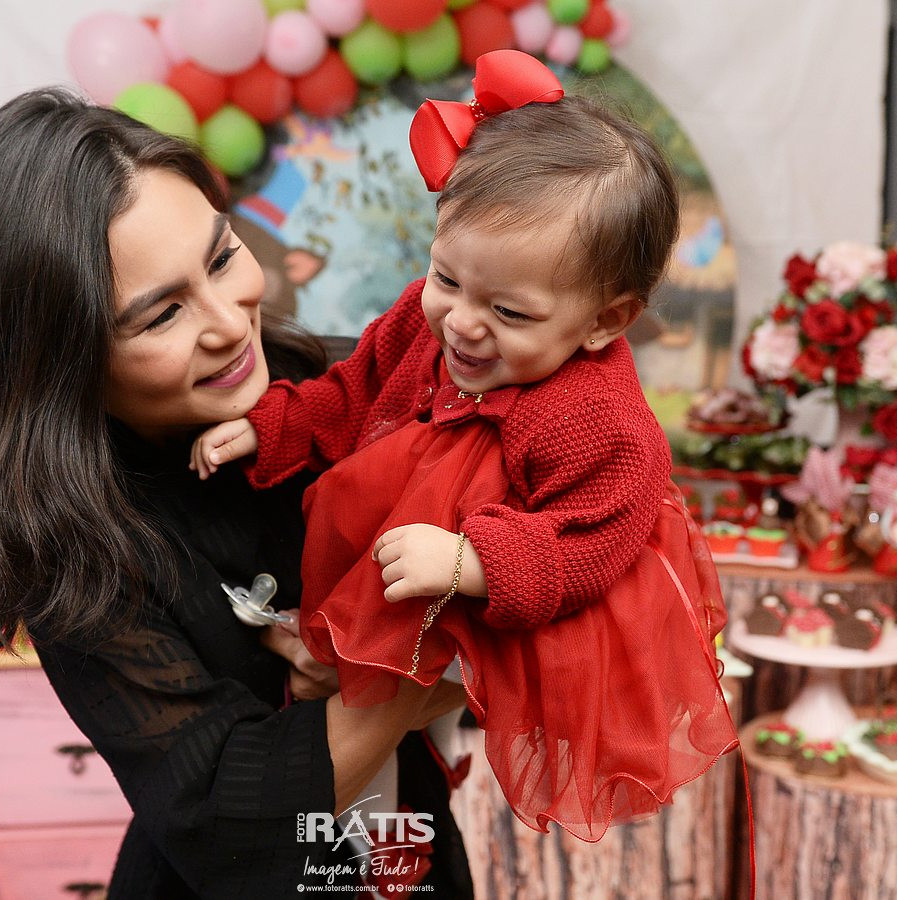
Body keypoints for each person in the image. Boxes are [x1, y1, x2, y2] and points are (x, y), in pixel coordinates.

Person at [0, 89, 473, 897]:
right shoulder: (69, 539)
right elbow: (224, 828)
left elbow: (567, 581)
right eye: (161, 314)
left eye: (223, 258)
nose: (228, 324)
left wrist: (381, 666)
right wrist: (400, 681)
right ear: (61, 364)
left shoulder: (355, 388)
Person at [193, 50, 740, 839]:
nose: (461, 322)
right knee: (366, 718)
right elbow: (354, 388)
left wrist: (471, 563)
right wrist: (272, 424)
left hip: (526, 590)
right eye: (447, 278)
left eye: (509, 313)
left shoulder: (598, 420)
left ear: (603, 320)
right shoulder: (428, 317)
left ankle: (396, 781)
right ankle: (370, 795)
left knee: (406, 717)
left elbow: (589, 545)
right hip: (412, 550)